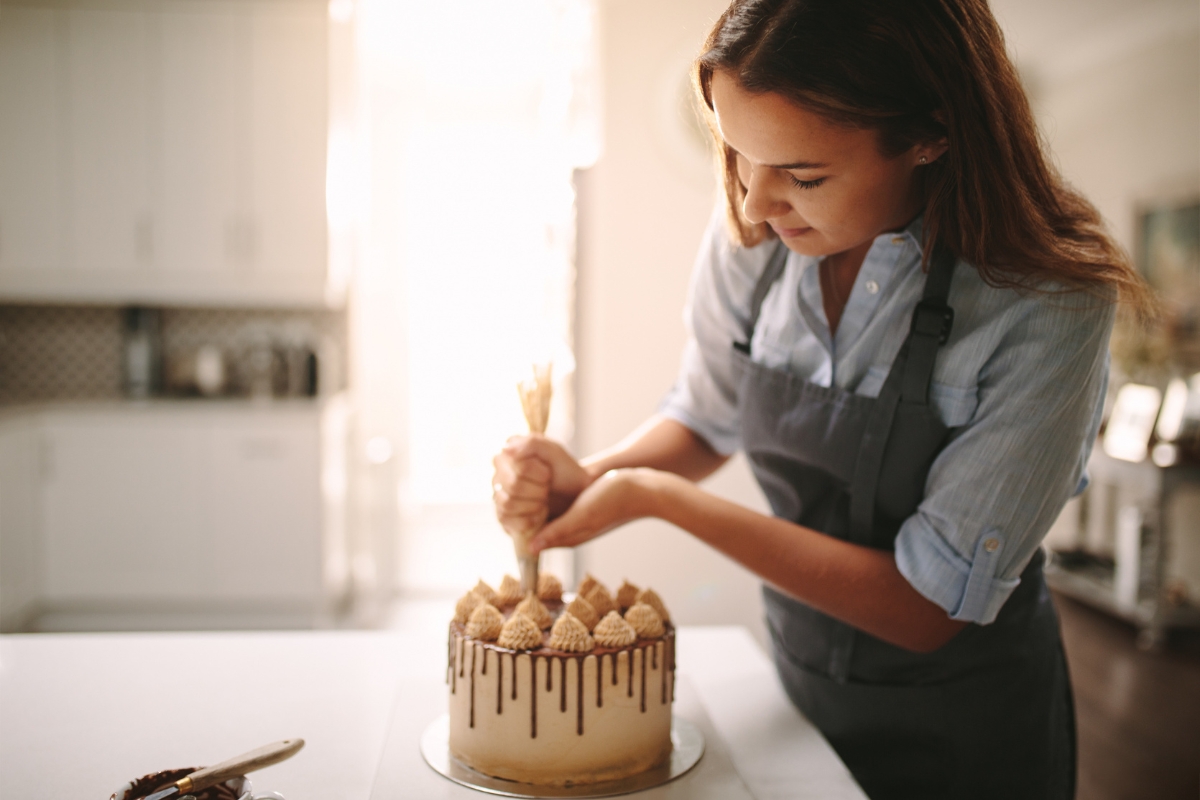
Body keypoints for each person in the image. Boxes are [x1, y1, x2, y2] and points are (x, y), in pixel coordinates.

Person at [491, 1, 1152, 797]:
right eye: (735, 155)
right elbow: (706, 417)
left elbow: (926, 607)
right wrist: (585, 476)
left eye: (803, 176)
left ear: (931, 134)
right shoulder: (760, 231)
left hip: (964, 727)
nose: (750, 203)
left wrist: (662, 501)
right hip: (798, 683)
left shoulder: (1048, 301)